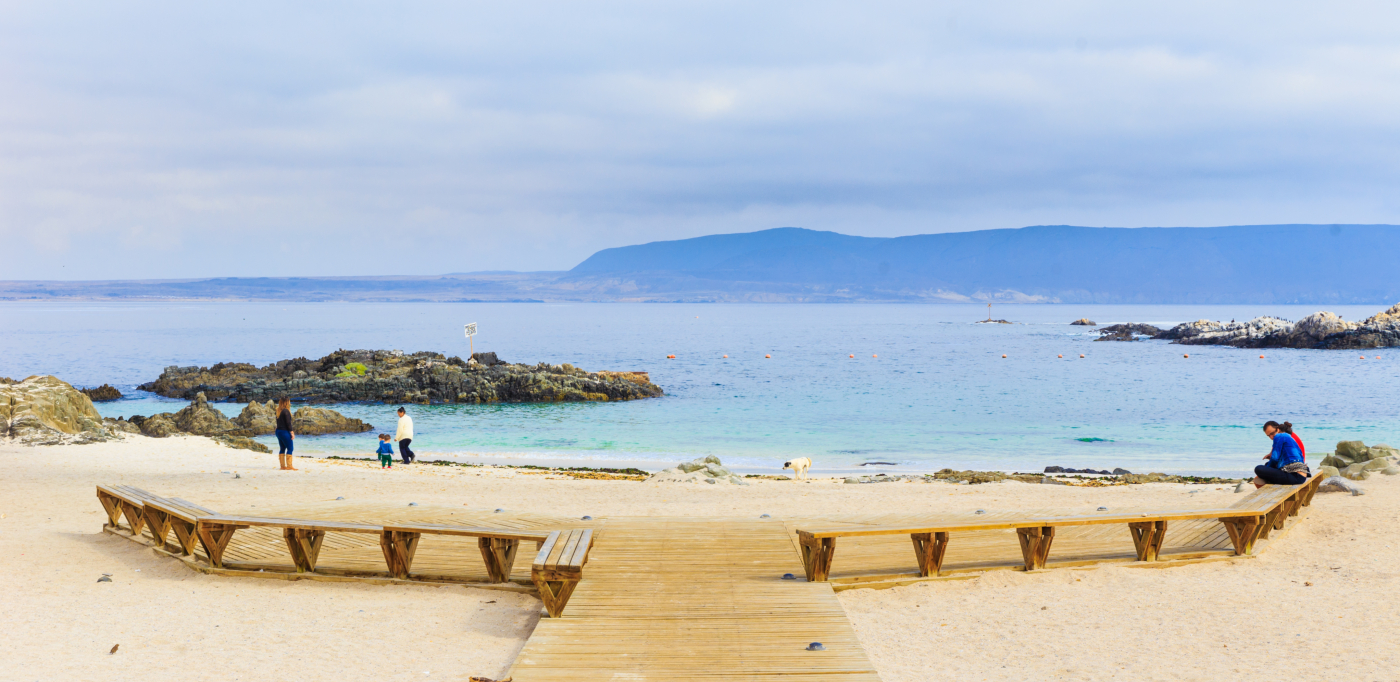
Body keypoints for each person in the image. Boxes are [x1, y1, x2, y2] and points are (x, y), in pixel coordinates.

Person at [1253, 420, 1307, 487]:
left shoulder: (1279, 436)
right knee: (1266, 466)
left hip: (1295, 476)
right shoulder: (1289, 437)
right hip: (1301, 475)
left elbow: (1274, 459)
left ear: (1278, 429)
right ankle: (1268, 478)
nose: (1271, 437)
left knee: (1258, 469)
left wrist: (1265, 471)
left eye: (1272, 433)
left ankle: (1267, 480)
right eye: (1268, 436)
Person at [275, 397, 296, 471]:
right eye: (289, 401)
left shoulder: (278, 410)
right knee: (290, 448)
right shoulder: (286, 411)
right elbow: (288, 423)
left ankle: (283, 466)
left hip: (278, 431)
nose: (290, 403)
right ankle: (289, 466)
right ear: (286, 402)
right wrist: (292, 432)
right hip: (284, 432)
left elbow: (278, 422)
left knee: (282, 448)